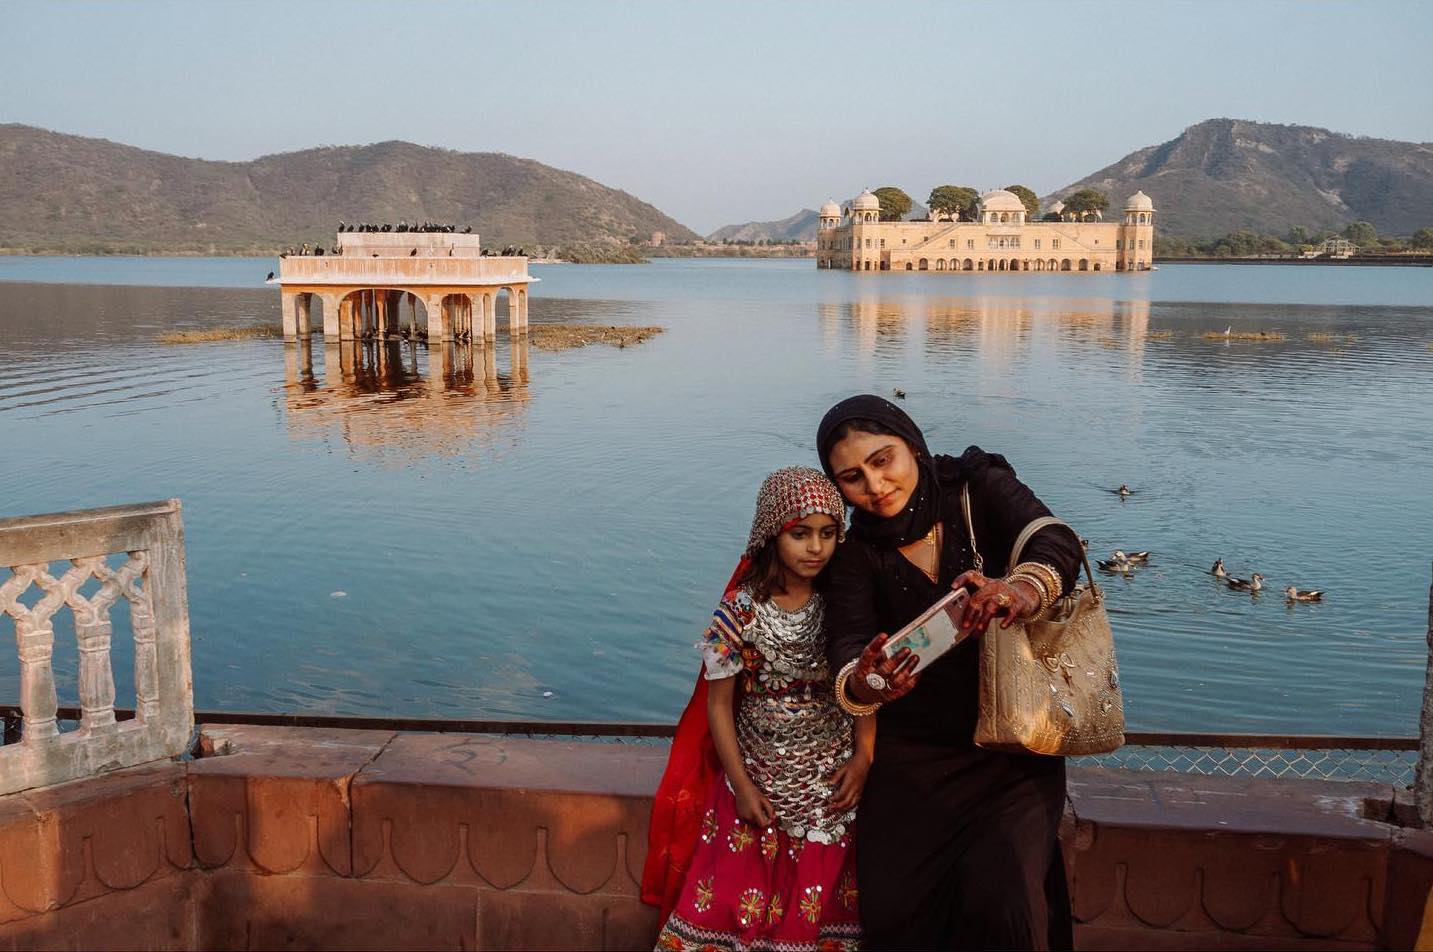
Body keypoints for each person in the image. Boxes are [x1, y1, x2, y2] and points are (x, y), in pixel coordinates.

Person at [815, 395, 1082, 951]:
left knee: (1004, 900)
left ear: (912, 444)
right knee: (898, 915)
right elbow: (846, 649)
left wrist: (1020, 589)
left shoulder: (976, 489)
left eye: (883, 459)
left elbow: (1053, 538)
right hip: (912, 762)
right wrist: (869, 681)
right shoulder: (856, 555)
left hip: (1010, 751)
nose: (874, 484)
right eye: (852, 477)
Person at [643, 467, 875, 952]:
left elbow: (864, 683)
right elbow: (719, 707)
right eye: (801, 534)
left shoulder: (844, 604)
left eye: (828, 534)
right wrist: (743, 786)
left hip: (831, 786)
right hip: (754, 784)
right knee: (737, 909)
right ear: (772, 534)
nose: (816, 548)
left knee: (819, 913)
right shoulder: (739, 612)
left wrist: (864, 757)